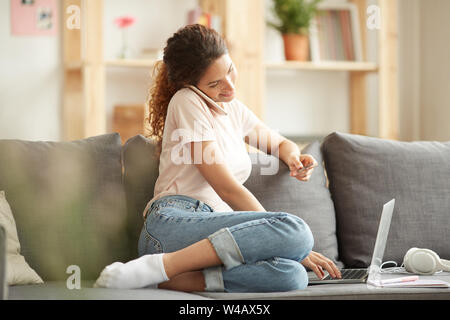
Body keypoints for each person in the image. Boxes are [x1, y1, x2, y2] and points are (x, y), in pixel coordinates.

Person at [94, 24, 341, 293]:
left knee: (291, 275)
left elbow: (279, 143)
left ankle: (164, 279)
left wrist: (295, 157)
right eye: (215, 83)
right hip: (172, 225)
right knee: (297, 231)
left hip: (213, 238)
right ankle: (160, 265)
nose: (230, 87)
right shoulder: (186, 101)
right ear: (190, 84)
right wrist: (286, 238)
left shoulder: (232, 109)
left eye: (230, 70)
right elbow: (226, 188)